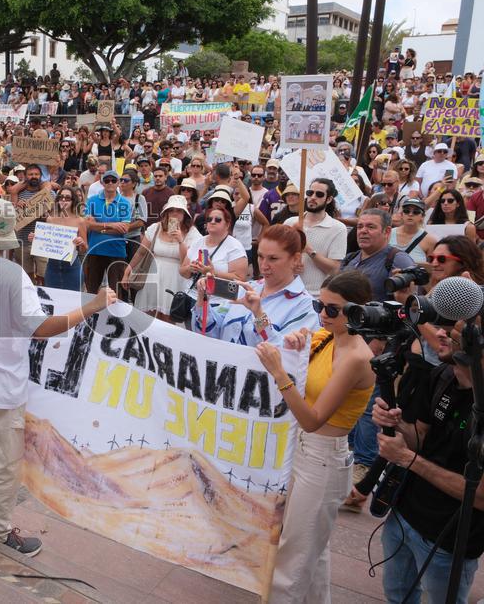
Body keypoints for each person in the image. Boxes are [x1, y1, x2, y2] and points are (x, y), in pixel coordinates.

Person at [0, 198, 117, 557]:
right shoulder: (16, 277)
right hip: (3, 384)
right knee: (4, 461)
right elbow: (41, 328)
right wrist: (89, 307)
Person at [255, 271, 374, 602]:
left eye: (332, 309)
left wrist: (280, 373)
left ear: (357, 311)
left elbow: (312, 419)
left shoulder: (355, 357)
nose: (323, 314)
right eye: (319, 304)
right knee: (310, 549)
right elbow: (277, 345)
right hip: (305, 453)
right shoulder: (326, 337)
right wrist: (293, 347)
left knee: (293, 557)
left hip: (323, 458)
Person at [373, 323, 484, 603]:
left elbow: (481, 496)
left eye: (454, 333)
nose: (441, 334)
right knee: (398, 595)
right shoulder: (441, 375)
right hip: (404, 515)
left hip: (449, 541)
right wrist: (396, 424)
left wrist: (407, 458)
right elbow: (419, 438)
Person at [193, 225, 320, 346]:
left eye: (273, 258)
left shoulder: (305, 306)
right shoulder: (245, 288)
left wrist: (259, 316)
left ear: (296, 259)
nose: (264, 265)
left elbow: (286, 357)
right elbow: (211, 333)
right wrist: (202, 302)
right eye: (260, 256)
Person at [125, 194, 201, 320]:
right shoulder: (156, 228)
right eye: (171, 210)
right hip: (154, 275)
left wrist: (181, 241)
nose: (174, 214)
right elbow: (141, 252)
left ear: (185, 213)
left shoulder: (192, 233)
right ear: (166, 213)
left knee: (168, 318)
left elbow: (186, 263)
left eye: (178, 210)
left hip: (176, 279)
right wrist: (129, 268)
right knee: (149, 316)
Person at [284, 179, 348, 298]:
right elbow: (278, 255)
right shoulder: (291, 222)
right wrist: (290, 264)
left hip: (315, 297)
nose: (313, 197)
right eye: (310, 193)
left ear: (328, 199)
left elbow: (334, 269)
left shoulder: (338, 229)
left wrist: (308, 249)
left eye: (319, 194)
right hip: (286, 291)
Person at [340, 209, 415, 302]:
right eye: (359, 227)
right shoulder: (349, 258)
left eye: (370, 227)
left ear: (387, 231)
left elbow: (410, 303)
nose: (363, 231)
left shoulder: (398, 260)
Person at [84, 170, 132, 295]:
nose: (110, 183)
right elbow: (87, 224)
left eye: (113, 180)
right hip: (95, 250)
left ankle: (115, 315)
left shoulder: (125, 203)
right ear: (102, 183)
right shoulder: (92, 200)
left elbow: (125, 228)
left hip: (116, 251)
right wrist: (112, 225)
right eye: (107, 180)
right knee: (91, 290)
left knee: (116, 292)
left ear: (118, 183)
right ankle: (91, 315)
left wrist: (98, 227)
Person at [37, 186, 88, 291]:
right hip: (52, 267)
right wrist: (36, 238)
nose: (63, 200)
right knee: (52, 301)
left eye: (67, 198)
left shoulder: (80, 221)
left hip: (72, 267)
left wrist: (81, 243)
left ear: (73, 200)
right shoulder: (50, 219)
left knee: (73, 301)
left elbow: (85, 249)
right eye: (61, 197)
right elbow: (45, 244)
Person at [389, 197, 436, 264]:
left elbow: (431, 268)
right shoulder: (388, 234)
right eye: (406, 211)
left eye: (416, 212)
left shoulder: (430, 241)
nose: (410, 214)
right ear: (402, 215)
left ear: (422, 216)